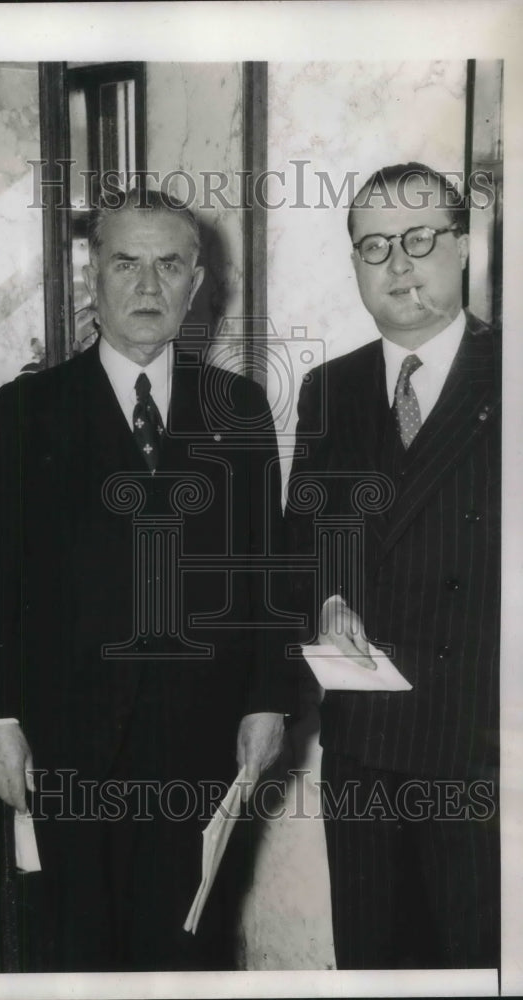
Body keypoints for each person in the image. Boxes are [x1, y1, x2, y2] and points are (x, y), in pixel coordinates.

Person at [0, 188, 296, 971]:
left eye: (169, 265)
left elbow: (266, 567)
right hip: (66, 743)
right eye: (126, 263)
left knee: (190, 945)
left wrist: (267, 698)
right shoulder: (25, 410)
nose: (148, 287)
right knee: (75, 953)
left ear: (196, 283)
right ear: (93, 277)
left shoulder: (239, 409)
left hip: (201, 740)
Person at [286, 162, 500, 969]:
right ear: (353, 267)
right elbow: (302, 539)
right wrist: (328, 596)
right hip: (364, 749)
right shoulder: (328, 390)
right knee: (374, 967)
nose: (398, 265)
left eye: (418, 238)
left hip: (480, 755)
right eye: (374, 246)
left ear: (462, 248)